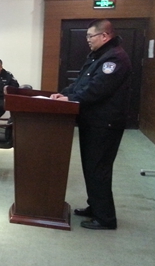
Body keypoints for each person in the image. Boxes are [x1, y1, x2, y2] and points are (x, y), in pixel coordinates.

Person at [50, 19, 131, 230]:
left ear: (104, 36)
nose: (87, 40)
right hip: (93, 121)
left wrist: (71, 99)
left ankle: (105, 218)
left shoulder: (114, 58)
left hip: (105, 123)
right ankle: (95, 207)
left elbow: (98, 88)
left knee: (98, 169)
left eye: (90, 36)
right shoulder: (99, 56)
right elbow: (81, 83)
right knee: (91, 167)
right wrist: (64, 94)